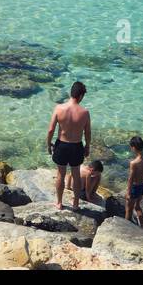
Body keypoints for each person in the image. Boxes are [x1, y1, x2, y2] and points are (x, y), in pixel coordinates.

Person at [45, 81, 92, 211]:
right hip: (76, 146)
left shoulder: (59, 108)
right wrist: (87, 146)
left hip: (62, 145)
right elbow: (87, 132)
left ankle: (59, 203)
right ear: (81, 95)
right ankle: (76, 203)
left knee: (61, 173)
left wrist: (48, 144)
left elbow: (50, 130)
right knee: (76, 174)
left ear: (71, 93)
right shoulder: (85, 112)